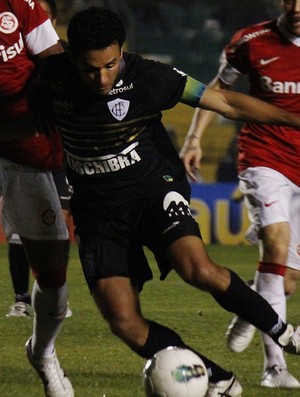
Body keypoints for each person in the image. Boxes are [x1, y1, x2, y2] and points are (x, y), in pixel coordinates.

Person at [28, 6, 300, 397]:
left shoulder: (148, 76)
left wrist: (294, 121)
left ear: (121, 51)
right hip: (97, 212)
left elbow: (227, 103)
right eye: (91, 70)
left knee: (197, 269)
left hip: (152, 190)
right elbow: (31, 124)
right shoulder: (49, 82)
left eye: (110, 65)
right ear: (72, 59)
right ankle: (214, 377)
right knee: (123, 321)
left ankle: (283, 333)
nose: (102, 78)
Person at [180, 0, 300, 390]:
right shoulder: (252, 41)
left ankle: (251, 305)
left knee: (285, 281)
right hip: (265, 157)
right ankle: (275, 367)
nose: (296, 6)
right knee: (276, 248)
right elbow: (219, 89)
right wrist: (195, 138)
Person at [0, 1, 73, 396]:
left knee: (53, 271)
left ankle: (42, 352)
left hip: (31, 147)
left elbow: (54, 62)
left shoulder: (18, 5)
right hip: (17, 149)